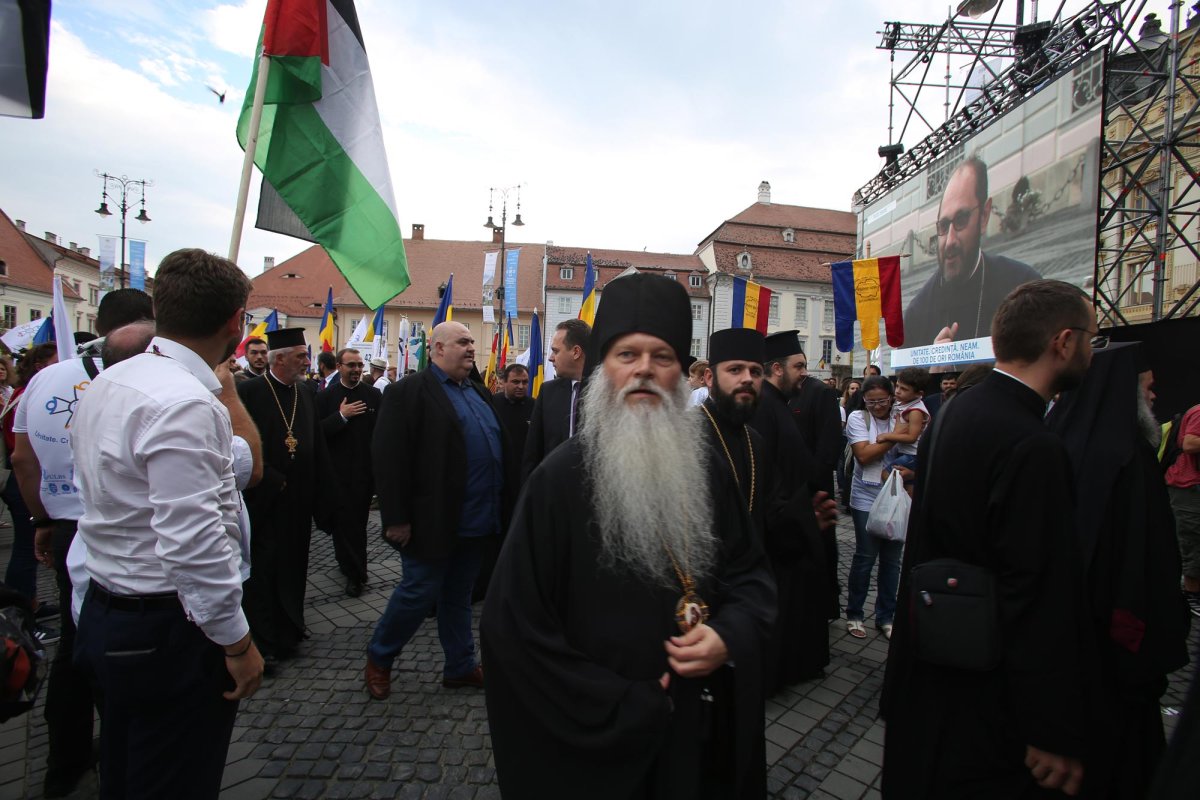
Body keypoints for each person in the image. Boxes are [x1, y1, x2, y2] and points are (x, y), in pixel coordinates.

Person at [481, 273, 775, 798]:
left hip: (702, 730)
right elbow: (513, 630)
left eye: (661, 356)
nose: (644, 369)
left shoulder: (708, 467)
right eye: (626, 355)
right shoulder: (556, 481)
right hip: (605, 744)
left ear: (681, 375)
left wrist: (728, 634)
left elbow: (750, 573)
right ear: (602, 370)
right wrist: (625, 703)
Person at [882, 279, 1098, 798]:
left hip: (933, 659)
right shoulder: (1034, 444)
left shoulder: (958, 412)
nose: (1093, 349)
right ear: (1064, 342)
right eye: (1092, 337)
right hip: (989, 688)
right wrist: (1051, 727)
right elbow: (1039, 591)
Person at [71, 248, 264, 799]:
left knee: (128, 768)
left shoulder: (116, 377)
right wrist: (236, 642)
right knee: (174, 777)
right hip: (166, 627)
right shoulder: (185, 403)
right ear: (235, 323)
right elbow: (194, 544)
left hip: (110, 606)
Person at [11, 288, 154, 798]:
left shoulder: (47, 379)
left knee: (76, 639)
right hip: (120, 521)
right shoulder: (142, 373)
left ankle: (64, 759)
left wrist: (39, 518)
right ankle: (124, 752)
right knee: (116, 635)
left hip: (65, 518)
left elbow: (22, 460)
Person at [1046, 344, 1189, 798]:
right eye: (1147, 389)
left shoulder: (1057, 440)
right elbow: (1144, 561)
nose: (1153, 399)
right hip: (1113, 651)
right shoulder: (1129, 461)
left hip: (1062, 643)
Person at [364, 321, 516, 700]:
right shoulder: (408, 392)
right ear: (436, 349)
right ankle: (379, 657)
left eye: (470, 343)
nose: (470, 348)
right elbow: (388, 458)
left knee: (459, 595)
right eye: (462, 342)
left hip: (478, 518)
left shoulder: (478, 392)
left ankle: (460, 666)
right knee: (418, 592)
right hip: (431, 521)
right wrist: (396, 518)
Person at [705, 328, 835, 691]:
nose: (747, 378)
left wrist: (805, 520)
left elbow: (767, 510)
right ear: (708, 377)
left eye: (754, 371)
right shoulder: (689, 435)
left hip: (744, 594)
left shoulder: (755, 441)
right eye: (734, 370)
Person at [238, 328, 334, 671]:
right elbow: (240, 443)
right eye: (300, 357)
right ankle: (264, 644)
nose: (307, 363)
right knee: (264, 571)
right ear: (279, 359)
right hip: (265, 500)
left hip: (299, 500)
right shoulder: (248, 391)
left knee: (294, 567)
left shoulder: (305, 392)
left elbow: (316, 442)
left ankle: (290, 630)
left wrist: (323, 488)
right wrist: (273, 478)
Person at [905, 156, 1043, 346]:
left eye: (961, 220)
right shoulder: (917, 313)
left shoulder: (1024, 289)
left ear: (984, 216)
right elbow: (907, 376)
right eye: (944, 226)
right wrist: (932, 372)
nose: (950, 241)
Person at [314, 348, 381, 598]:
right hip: (336, 475)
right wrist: (341, 416)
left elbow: (381, 434)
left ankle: (356, 573)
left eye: (359, 365)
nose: (355, 370)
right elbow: (316, 433)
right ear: (339, 367)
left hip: (363, 475)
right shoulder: (325, 398)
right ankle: (351, 568)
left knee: (357, 526)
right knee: (342, 525)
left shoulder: (374, 396)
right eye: (350, 365)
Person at [2, 342, 58, 627]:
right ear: (40, 365)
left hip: (27, 475)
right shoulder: (29, 394)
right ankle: (20, 613)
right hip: (24, 479)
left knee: (28, 549)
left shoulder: (29, 392)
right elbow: (20, 451)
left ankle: (28, 603)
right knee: (26, 548)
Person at [843, 375, 902, 640]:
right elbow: (864, 455)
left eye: (882, 401)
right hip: (866, 495)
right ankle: (855, 613)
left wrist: (900, 435)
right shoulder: (858, 418)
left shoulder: (902, 415)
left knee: (892, 560)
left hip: (897, 496)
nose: (877, 406)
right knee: (865, 557)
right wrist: (897, 437)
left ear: (892, 397)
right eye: (871, 401)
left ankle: (886, 615)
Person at [523, 318, 589, 478]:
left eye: (556, 351)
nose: (551, 357)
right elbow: (533, 453)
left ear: (576, 352)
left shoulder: (608, 391)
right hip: (553, 494)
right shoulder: (548, 392)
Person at [1166, 400, 1200, 616]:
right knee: (1194, 544)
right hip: (1189, 489)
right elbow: (1189, 443)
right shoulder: (1199, 412)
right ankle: (1192, 597)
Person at [877, 366, 930, 489]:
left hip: (913, 454)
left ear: (919, 394)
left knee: (886, 474)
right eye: (897, 386)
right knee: (906, 484)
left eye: (904, 389)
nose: (898, 391)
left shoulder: (915, 411)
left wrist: (887, 436)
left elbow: (912, 437)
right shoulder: (904, 403)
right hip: (904, 452)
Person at [491, 363, 534, 466]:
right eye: (515, 382)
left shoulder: (536, 406)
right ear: (504, 382)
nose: (520, 386)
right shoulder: (492, 403)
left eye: (525, 382)